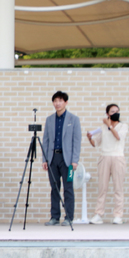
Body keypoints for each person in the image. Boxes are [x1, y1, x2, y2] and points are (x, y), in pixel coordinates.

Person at [41, 91, 81, 227]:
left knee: (68, 188)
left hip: (68, 160)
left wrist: (75, 160)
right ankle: (55, 217)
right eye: (55, 101)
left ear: (66, 102)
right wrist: (44, 159)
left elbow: (77, 141)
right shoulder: (49, 119)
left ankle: (69, 217)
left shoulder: (73, 119)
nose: (57, 103)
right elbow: (45, 140)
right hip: (53, 158)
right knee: (54, 188)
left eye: (60, 100)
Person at [87, 103, 128, 225]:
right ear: (107, 114)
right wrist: (90, 138)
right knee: (102, 187)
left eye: (117, 111)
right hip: (104, 157)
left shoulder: (123, 126)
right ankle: (98, 214)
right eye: (112, 111)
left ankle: (118, 215)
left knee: (118, 188)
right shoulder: (103, 127)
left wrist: (109, 125)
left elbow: (118, 137)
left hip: (118, 157)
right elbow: (96, 143)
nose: (115, 113)